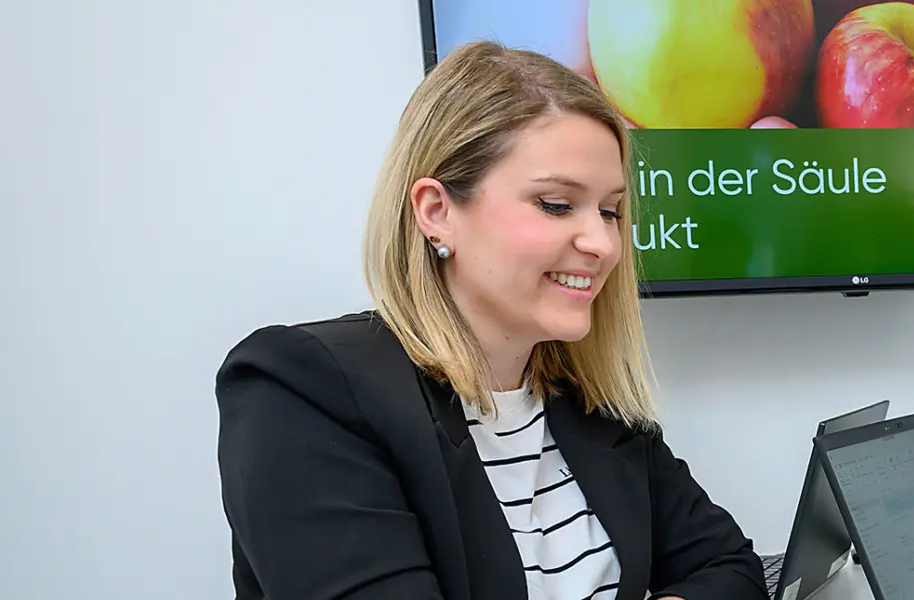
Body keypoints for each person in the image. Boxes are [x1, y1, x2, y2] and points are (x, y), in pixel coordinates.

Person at [213, 40, 761, 600]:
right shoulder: (301, 390)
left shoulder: (592, 405)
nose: (602, 243)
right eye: (556, 204)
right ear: (437, 212)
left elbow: (732, 570)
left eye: (610, 211)